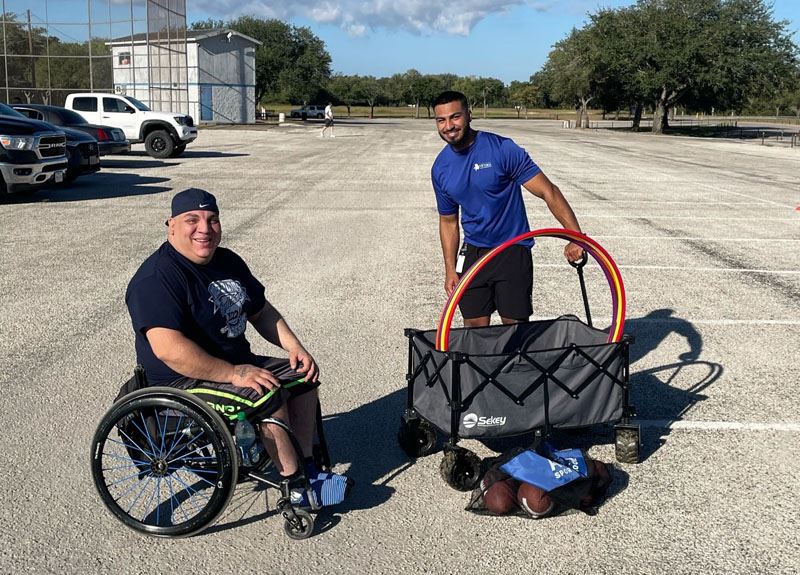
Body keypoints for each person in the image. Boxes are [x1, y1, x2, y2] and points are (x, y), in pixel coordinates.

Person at [125, 188, 349, 507]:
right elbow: (168, 349)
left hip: (232, 364)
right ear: (171, 226)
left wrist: (293, 346)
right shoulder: (157, 278)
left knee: (303, 376)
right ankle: (295, 487)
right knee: (266, 394)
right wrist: (233, 373)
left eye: (212, 220)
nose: (205, 229)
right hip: (182, 379)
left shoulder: (227, 261)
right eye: (193, 220)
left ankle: (307, 467)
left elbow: (261, 311)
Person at [431, 90, 584, 328]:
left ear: (469, 115)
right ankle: (485, 366)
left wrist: (576, 237)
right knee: (474, 329)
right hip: (473, 254)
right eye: (441, 120)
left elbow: (548, 191)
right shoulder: (440, 168)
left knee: (514, 329)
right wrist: (450, 269)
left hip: (512, 250)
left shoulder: (502, 149)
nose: (449, 126)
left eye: (455, 117)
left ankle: (515, 366)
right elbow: (448, 222)